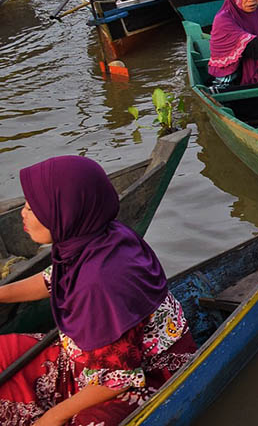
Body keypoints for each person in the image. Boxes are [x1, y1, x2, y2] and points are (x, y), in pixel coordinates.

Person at [0, 155, 197, 426]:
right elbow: (54, 279)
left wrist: (53, 417)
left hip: (142, 376)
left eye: (33, 209)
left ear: (64, 212)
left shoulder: (100, 283)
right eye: (26, 205)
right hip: (86, 357)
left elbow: (121, 378)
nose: (22, 213)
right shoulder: (92, 237)